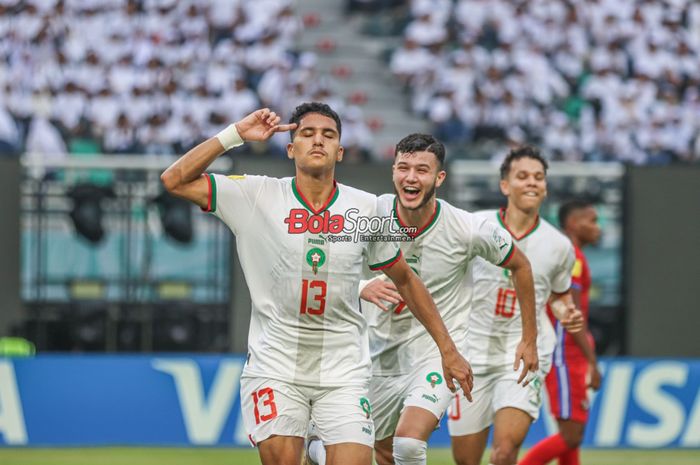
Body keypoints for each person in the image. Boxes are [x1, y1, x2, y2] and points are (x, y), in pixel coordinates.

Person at [160, 103, 472, 465]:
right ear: (291, 148)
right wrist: (235, 135)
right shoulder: (255, 196)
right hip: (275, 367)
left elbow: (405, 279)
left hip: (344, 371)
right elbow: (174, 180)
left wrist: (448, 350)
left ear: (340, 151)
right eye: (306, 134)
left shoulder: (366, 208)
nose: (318, 140)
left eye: (328, 135)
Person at [306, 133, 540, 465]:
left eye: (422, 170)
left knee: (409, 443)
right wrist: (361, 287)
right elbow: (321, 263)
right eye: (404, 168)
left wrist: (529, 339)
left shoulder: (467, 228)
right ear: (393, 172)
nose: (411, 177)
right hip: (375, 356)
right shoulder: (370, 214)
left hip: (438, 353)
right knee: (364, 453)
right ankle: (312, 450)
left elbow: (521, 264)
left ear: (439, 178)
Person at [448, 145, 584, 465]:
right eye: (522, 176)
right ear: (505, 186)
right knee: (466, 460)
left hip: (523, 355)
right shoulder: (474, 226)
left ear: (546, 187)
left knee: (505, 452)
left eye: (538, 177)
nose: (532, 183)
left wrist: (568, 314)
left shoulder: (559, 246)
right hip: (471, 353)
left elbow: (559, 296)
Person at [518, 199, 603, 465]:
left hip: (565, 353)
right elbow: (572, 316)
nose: (598, 228)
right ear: (574, 224)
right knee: (571, 434)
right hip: (565, 354)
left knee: (570, 435)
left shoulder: (570, 255)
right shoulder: (573, 258)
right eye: (592, 220)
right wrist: (592, 362)